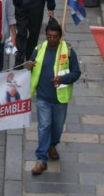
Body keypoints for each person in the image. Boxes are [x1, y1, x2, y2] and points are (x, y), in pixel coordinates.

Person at [27, 19, 81, 175]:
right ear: (46, 35)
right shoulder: (38, 49)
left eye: (55, 37)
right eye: (49, 36)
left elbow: (76, 73)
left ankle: (52, 145)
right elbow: (30, 67)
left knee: (57, 127)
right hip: (43, 97)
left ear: (60, 37)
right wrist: (28, 66)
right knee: (44, 126)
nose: (52, 40)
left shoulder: (69, 52)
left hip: (60, 99)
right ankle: (41, 159)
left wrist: (62, 79)